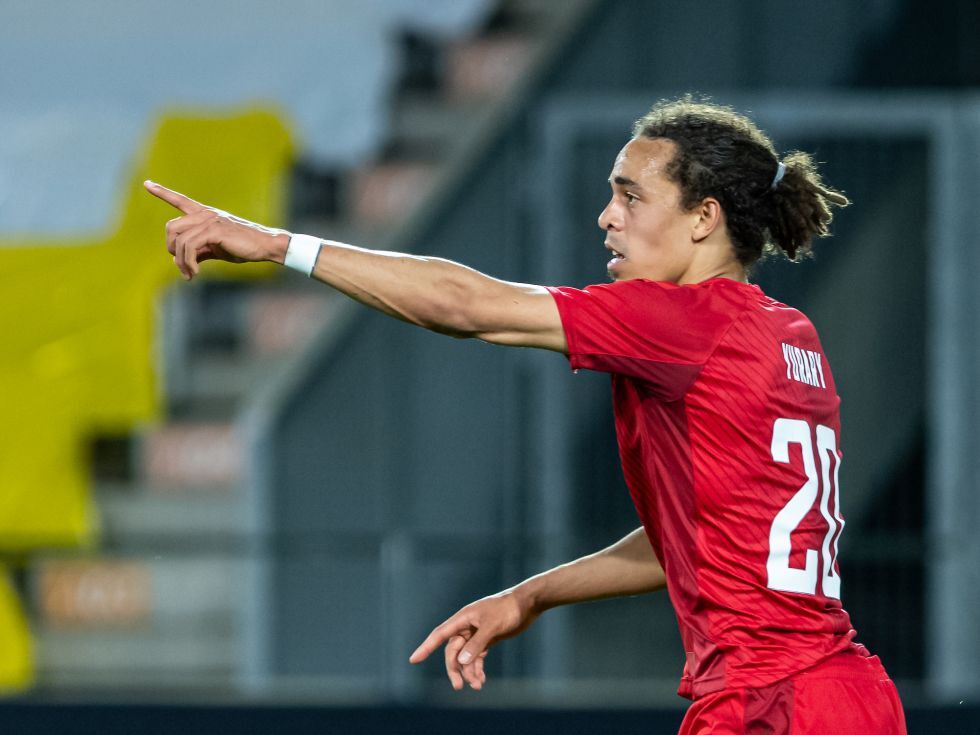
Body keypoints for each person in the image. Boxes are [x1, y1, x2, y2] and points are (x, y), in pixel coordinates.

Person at [146, 96, 907, 734]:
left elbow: (465, 305)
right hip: (851, 696)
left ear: (704, 217)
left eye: (631, 196)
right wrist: (529, 595)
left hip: (769, 703)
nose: (607, 217)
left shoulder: (682, 321)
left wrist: (278, 245)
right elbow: (700, 538)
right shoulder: (790, 334)